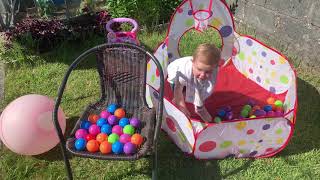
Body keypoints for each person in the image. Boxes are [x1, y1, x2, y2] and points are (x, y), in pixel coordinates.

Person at [167, 43, 221, 122]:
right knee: (181, 93)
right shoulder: (183, 71)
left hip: (190, 76)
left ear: (215, 67)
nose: (202, 75)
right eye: (199, 69)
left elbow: (202, 88)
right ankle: (176, 101)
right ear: (193, 62)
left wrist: (200, 99)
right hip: (177, 77)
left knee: (196, 88)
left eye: (208, 71)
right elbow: (178, 90)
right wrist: (182, 107)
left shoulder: (212, 69)